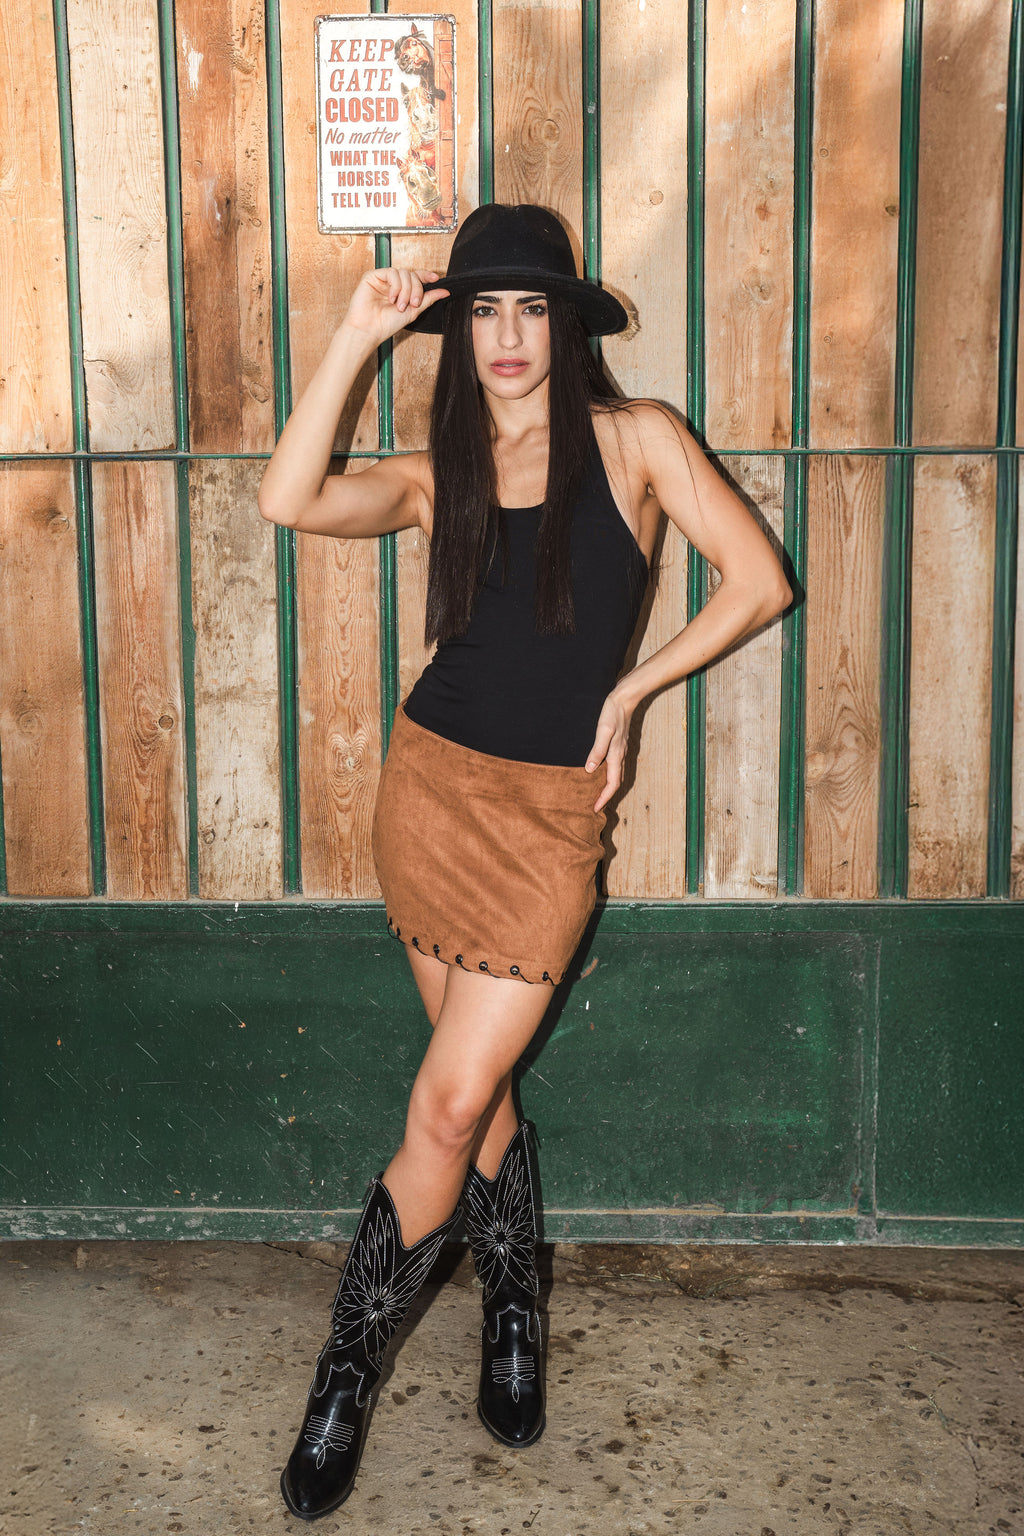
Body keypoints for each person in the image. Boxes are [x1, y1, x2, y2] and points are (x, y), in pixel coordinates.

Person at [258, 203, 791, 1520]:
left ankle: (342, 1379)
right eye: (481, 310)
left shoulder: (639, 440)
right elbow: (287, 498)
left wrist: (632, 695)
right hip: (430, 793)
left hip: (549, 822)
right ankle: (512, 1308)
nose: (505, 336)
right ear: (460, 329)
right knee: (477, 1097)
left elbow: (758, 581)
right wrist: (357, 332)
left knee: (446, 1107)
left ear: (565, 321)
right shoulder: (442, 466)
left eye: (528, 308)